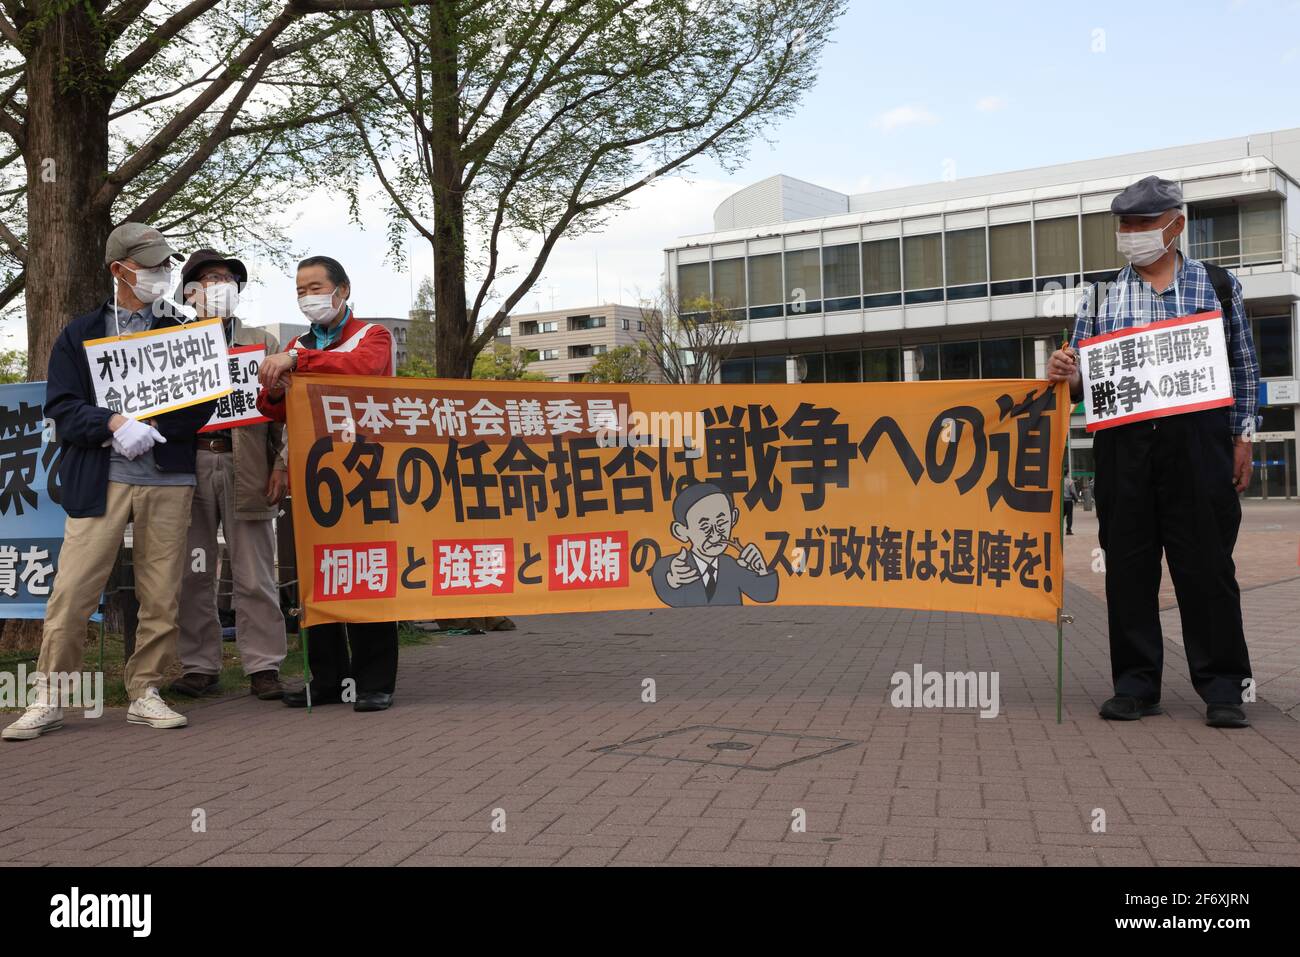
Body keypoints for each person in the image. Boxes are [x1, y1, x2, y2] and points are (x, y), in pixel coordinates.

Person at [1047, 175, 1258, 729]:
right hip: (1124, 443)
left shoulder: (1216, 284)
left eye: (1143, 224)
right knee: (1129, 566)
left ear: (1175, 224)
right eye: (1125, 225)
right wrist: (1064, 375)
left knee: (1207, 565)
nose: (1132, 234)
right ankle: (1136, 684)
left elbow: (1243, 365)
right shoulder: (1098, 294)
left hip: (1199, 440)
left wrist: (1244, 437)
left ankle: (1223, 688)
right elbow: (1080, 381)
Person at [3, 224, 217, 741]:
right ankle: (49, 697)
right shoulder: (79, 335)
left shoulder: (181, 330)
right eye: (151, 265)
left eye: (165, 264)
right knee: (74, 589)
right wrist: (114, 424)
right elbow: (61, 407)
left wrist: (157, 429)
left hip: (168, 477)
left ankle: (146, 690)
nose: (161, 274)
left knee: (161, 591)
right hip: (100, 478)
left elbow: (203, 399)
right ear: (119, 269)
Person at [255, 256, 399, 712]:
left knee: (366, 571)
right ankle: (328, 679)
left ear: (342, 289)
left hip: (365, 473)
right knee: (317, 576)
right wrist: (276, 388)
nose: (307, 297)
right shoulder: (296, 342)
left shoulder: (372, 336)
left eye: (315, 287)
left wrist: (296, 360)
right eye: (300, 290)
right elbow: (274, 408)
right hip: (314, 474)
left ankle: (374, 680)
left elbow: (360, 370)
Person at [171, 250, 289, 701]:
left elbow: (285, 413)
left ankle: (264, 666)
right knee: (193, 570)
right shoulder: (169, 342)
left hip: (250, 465)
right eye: (209, 279)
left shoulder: (263, 343)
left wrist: (281, 464)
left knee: (255, 572)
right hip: (189, 467)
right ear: (190, 292)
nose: (220, 286)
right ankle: (199, 664)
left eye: (227, 279)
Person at [650, 482, 778, 607]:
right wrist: (672, 580)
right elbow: (662, 576)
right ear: (681, 531)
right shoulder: (678, 567)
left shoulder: (732, 565)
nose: (716, 534)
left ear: (733, 518)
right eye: (705, 526)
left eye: (721, 523)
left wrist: (761, 571)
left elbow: (766, 595)